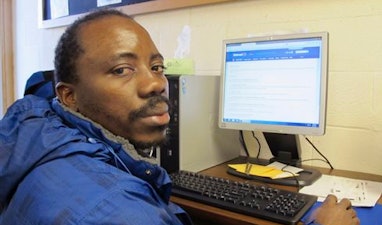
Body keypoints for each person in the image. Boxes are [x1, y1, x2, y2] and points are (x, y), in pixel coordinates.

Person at [0, 9, 359, 225]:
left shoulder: (41, 128)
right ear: (69, 95)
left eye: (157, 66)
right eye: (123, 69)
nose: (156, 83)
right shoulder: (117, 211)